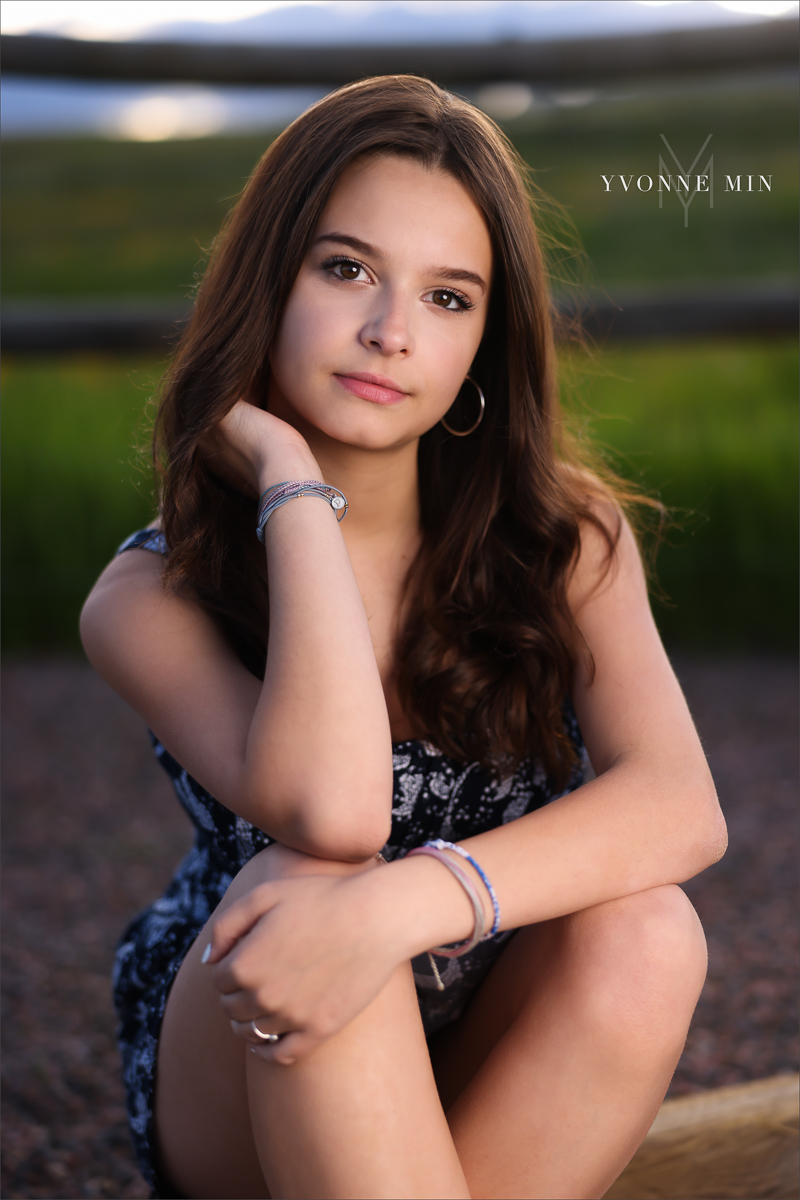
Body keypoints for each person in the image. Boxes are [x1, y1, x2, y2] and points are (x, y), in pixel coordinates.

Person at [80, 75, 726, 1200]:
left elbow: (678, 804)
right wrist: (290, 485)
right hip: (259, 1039)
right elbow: (335, 813)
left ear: (483, 341)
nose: (389, 334)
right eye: (346, 271)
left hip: (478, 1023)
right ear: (266, 281)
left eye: (446, 299)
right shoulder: (152, 593)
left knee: (646, 929)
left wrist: (398, 908)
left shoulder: (562, 537)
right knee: (307, 891)